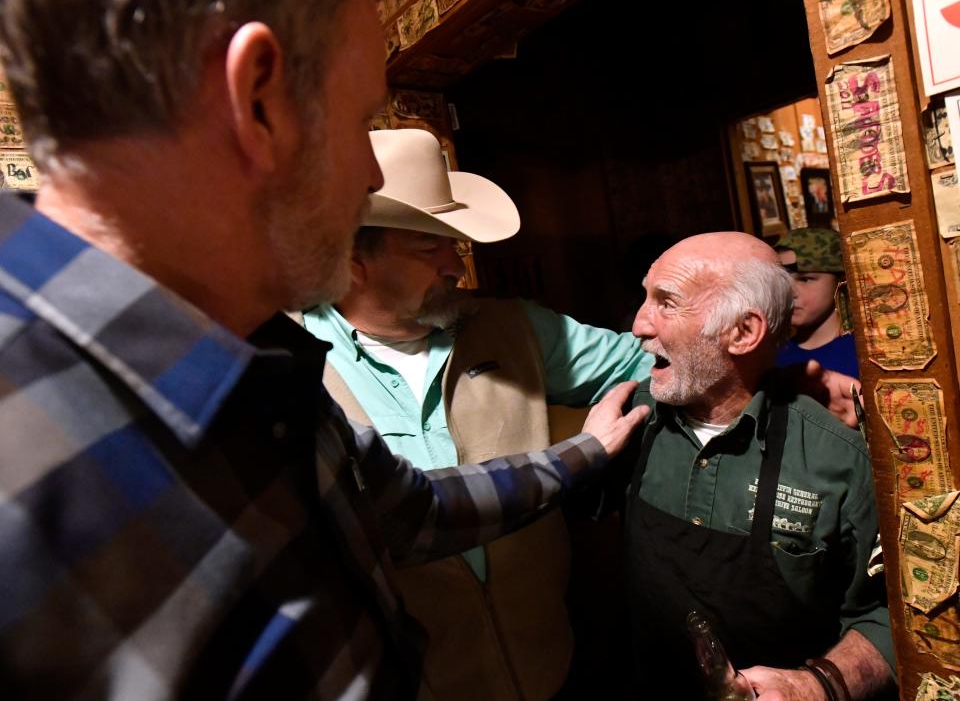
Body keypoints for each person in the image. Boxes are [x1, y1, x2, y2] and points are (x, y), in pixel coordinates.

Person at [0, 0, 648, 697]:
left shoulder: (265, 353)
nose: (372, 178)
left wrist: (585, 452)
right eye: (362, 120)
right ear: (258, 101)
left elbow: (414, 510)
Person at [303, 127, 653, 700]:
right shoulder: (296, 366)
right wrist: (579, 454)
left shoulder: (514, 327)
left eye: (454, 243)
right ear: (352, 257)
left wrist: (783, 373)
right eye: (428, 247)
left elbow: (653, 360)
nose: (455, 267)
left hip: (550, 672)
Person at [624, 232, 894, 700]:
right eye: (645, 297)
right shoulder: (628, 424)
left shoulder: (838, 458)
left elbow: (899, 615)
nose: (638, 325)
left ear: (743, 332)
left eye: (667, 303)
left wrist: (819, 685)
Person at [775, 227, 859, 378]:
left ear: (840, 281)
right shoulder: (772, 357)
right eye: (782, 280)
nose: (790, 292)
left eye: (805, 279)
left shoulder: (862, 353)